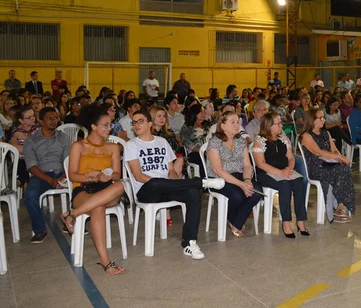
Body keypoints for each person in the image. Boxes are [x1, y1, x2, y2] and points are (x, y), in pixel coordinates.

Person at [126, 110, 221, 259]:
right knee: (156, 182)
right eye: (134, 122)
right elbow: (138, 176)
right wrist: (164, 182)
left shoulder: (161, 142)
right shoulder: (131, 145)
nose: (136, 125)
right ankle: (201, 182)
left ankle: (190, 243)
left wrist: (172, 180)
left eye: (140, 121)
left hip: (166, 187)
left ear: (149, 124)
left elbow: (171, 170)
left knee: (193, 194)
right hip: (147, 190)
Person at [62, 107, 126, 274]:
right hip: (83, 188)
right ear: (93, 126)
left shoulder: (113, 147)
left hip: (107, 188)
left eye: (110, 124)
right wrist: (93, 178)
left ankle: (73, 214)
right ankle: (106, 262)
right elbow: (73, 175)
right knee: (98, 207)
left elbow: (117, 175)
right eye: (105, 125)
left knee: (120, 185)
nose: (109, 128)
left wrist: (107, 175)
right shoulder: (78, 146)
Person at [252, 112, 308, 238]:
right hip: (266, 174)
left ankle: (300, 220)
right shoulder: (259, 141)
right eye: (277, 124)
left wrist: (289, 169)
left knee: (298, 183)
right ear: (268, 126)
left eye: (280, 123)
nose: (281, 126)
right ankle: (286, 222)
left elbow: (291, 158)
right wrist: (280, 173)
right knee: (285, 185)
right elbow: (260, 164)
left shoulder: (283, 139)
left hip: (284, 171)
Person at [206, 110, 263, 237]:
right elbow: (218, 170)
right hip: (218, 178)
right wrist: (241, 185)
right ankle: (233, 218)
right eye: (233, 122)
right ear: (223, 125)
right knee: (237, 195)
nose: (237, 125)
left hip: (237, 174)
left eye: (238, 122)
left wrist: (247, 180)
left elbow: (247, 165)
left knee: (256, 190)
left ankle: (236, 221)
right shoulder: (215, 142)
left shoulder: (241, 141)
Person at [23, 107, 71, 243]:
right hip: (41, 175)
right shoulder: (31, 141)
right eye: (50, 118)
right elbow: (32, 167)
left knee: (80, 187)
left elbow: (69, 159)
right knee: (30, 195)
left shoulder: (63, 137)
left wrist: (64, 175)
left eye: (56, 117)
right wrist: (50, 179)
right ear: (41, 121)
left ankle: (71, 220)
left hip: (62, 172)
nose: (54, 121)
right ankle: (40, 229)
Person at [300, 108, 354, 224]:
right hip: (316, 167)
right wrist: (338, 158)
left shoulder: (326, 133)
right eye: (321, 118)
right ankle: (340, 207)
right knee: (340, 171)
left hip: (329, 164)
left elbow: (334, 150)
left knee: (344, 168)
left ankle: (340, 206)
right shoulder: (306, 135)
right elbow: (317, 152)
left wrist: (339, 157)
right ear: (313, 120)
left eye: (324, 117)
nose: (324, 120)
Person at [10, 106, 41, 188]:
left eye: (33, 115)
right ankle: (22, 181)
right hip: (22, 160)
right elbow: (14, 147)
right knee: (22, 164)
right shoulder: (16, 131)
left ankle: (19, 181)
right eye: (29, 117)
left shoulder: (39, 128)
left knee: (30, 164)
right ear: (21, 120)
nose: (33, 118)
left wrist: (26, 138)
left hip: (39, 159)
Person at [181, 103, 210, 177]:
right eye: (201, 112)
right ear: (194, 113)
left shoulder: (208, 124)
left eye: (204, 111)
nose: (204, 113)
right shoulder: (187, 126)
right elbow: (186, 141)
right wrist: (201, 150)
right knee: (204, 158)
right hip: (195, 152)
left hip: (210, 150)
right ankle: (206, 181)